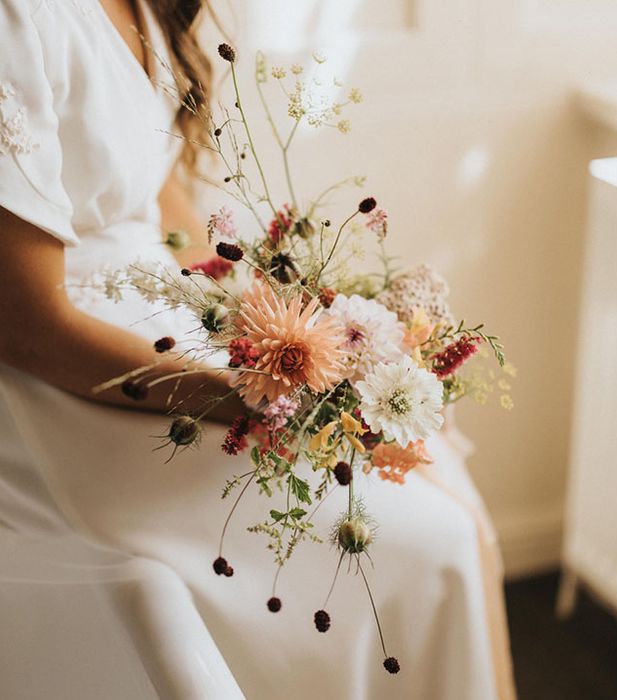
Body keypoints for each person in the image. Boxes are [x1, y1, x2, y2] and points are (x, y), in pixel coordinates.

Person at [0, 1, 515, 698]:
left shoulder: (151, 7)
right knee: (421, 542)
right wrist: (240, 398)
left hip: (170, 321)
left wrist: (302, 321)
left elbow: (157, 210)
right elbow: (30, 328)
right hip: (72, 388)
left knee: (435, 475)